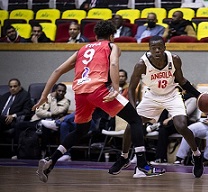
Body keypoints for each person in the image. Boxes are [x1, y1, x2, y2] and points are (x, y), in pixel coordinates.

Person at [34, 20, 165, 183]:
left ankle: (51, 161)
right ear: (112, 36)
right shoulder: (111, 46)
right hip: (99, 89)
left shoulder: (82, 49)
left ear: (96, 35)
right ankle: (142, 166)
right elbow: (114, 64)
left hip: (80, 92)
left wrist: (44, 95)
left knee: (81, 130)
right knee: (135, 119)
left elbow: (58, 70)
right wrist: (116, 88)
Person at [109, 36, 204, 178]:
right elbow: (131, 88)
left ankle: (197, 155)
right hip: (152, 96)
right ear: (149, 49)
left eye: (160, 47)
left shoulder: (175, 59)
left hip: (172, 94)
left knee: (181, 126)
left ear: (165, 47)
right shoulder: (141, 64)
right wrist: (133, 110)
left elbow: (182, 80)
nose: (157, 50)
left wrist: (198, 95)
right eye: (154, 48)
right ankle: (124, 157)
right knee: (131, 125)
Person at [13, 83, 70, 158]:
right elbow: (38, 111)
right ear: (55, 91)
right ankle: (18, 151)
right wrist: (50, 114)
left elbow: (55, 111)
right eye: (59, 91)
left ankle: (43, 150)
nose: (61, 93)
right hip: (36, 121)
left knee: (45, 126)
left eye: (63, 91)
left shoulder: (66, 102)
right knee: (18, 125)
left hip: (51, 124)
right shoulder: (46, 97)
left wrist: (53, 100)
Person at [150, 90, 199, 164]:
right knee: (163, 131)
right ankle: (161, 158)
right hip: (172, 124)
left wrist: (169, 119)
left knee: (170, 124)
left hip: (187, 123)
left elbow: (185, 114)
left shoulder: (193, 99)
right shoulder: (175, 100)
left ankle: (158, 125)